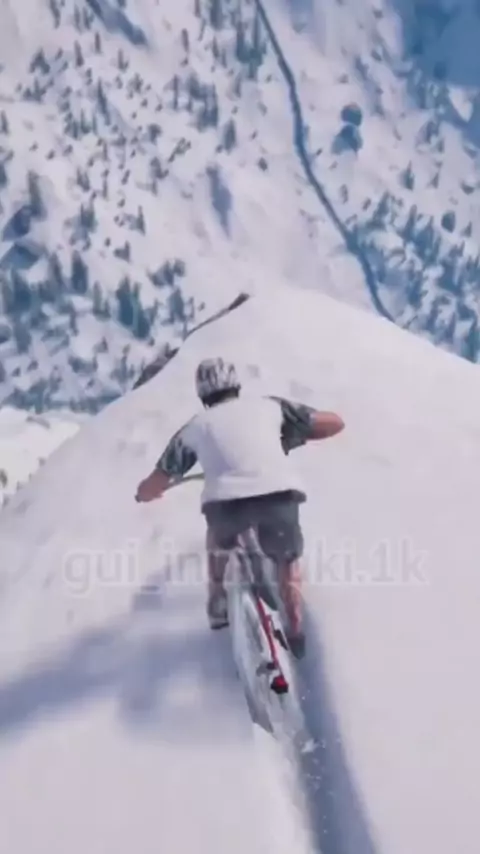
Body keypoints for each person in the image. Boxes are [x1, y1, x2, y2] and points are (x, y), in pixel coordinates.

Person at [135, 357, 344, 658]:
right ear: (236, 384)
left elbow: (155, 482)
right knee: (287, 562)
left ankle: (218, 601)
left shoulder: (195, 427)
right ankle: (296, 626)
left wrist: (145, 494)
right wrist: (290, 438)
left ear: (202, 393)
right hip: (280, 495)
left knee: (217, 542)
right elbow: (333, 423)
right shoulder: (271, 407)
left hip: (225, 505)